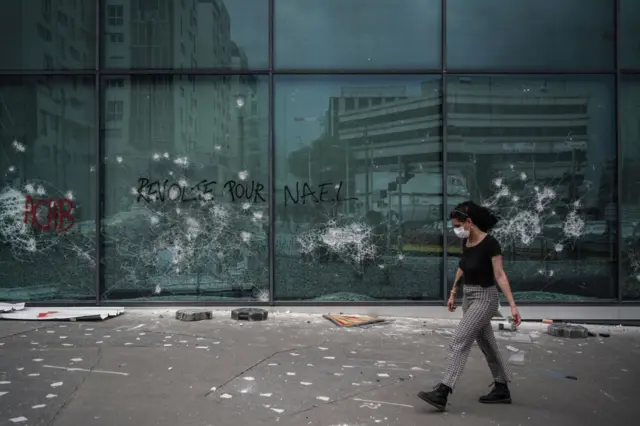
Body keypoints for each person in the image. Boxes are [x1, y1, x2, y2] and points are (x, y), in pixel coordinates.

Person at [418, 201, 521, 411]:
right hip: (469, 297)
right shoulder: (466, 243)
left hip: (486, 298)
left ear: (469, 222)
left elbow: (500, 275)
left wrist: (512, 305)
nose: (456, 230)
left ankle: (443, 391)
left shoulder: (491, 244)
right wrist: (453, 292)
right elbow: (462, 267)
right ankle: (502, 388)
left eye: (458, 225)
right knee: (487, 343)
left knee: (459, 340)